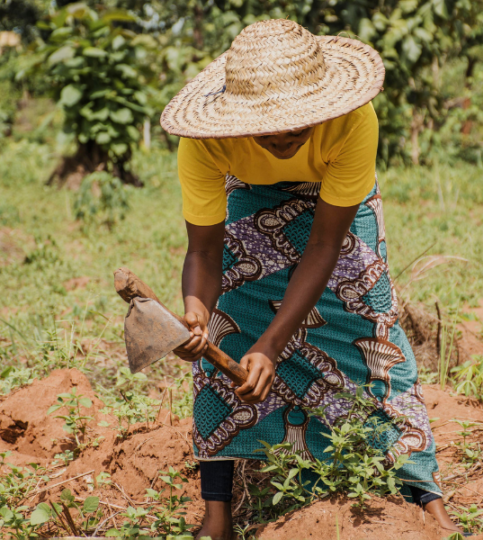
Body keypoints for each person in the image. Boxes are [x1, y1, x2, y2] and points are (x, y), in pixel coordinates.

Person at [160, 18, 463, 540]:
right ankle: (217, 514)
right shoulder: (206, 143)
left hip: (337, 209)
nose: (281, 138)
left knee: (369, 334)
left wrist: (273, 346)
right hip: (251, 197)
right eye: (266, 129)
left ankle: (425, 495)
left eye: (296, 129)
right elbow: (205, 251)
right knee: (228, 328)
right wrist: (197, 312)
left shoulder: (353, 121)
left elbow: (324, 245)